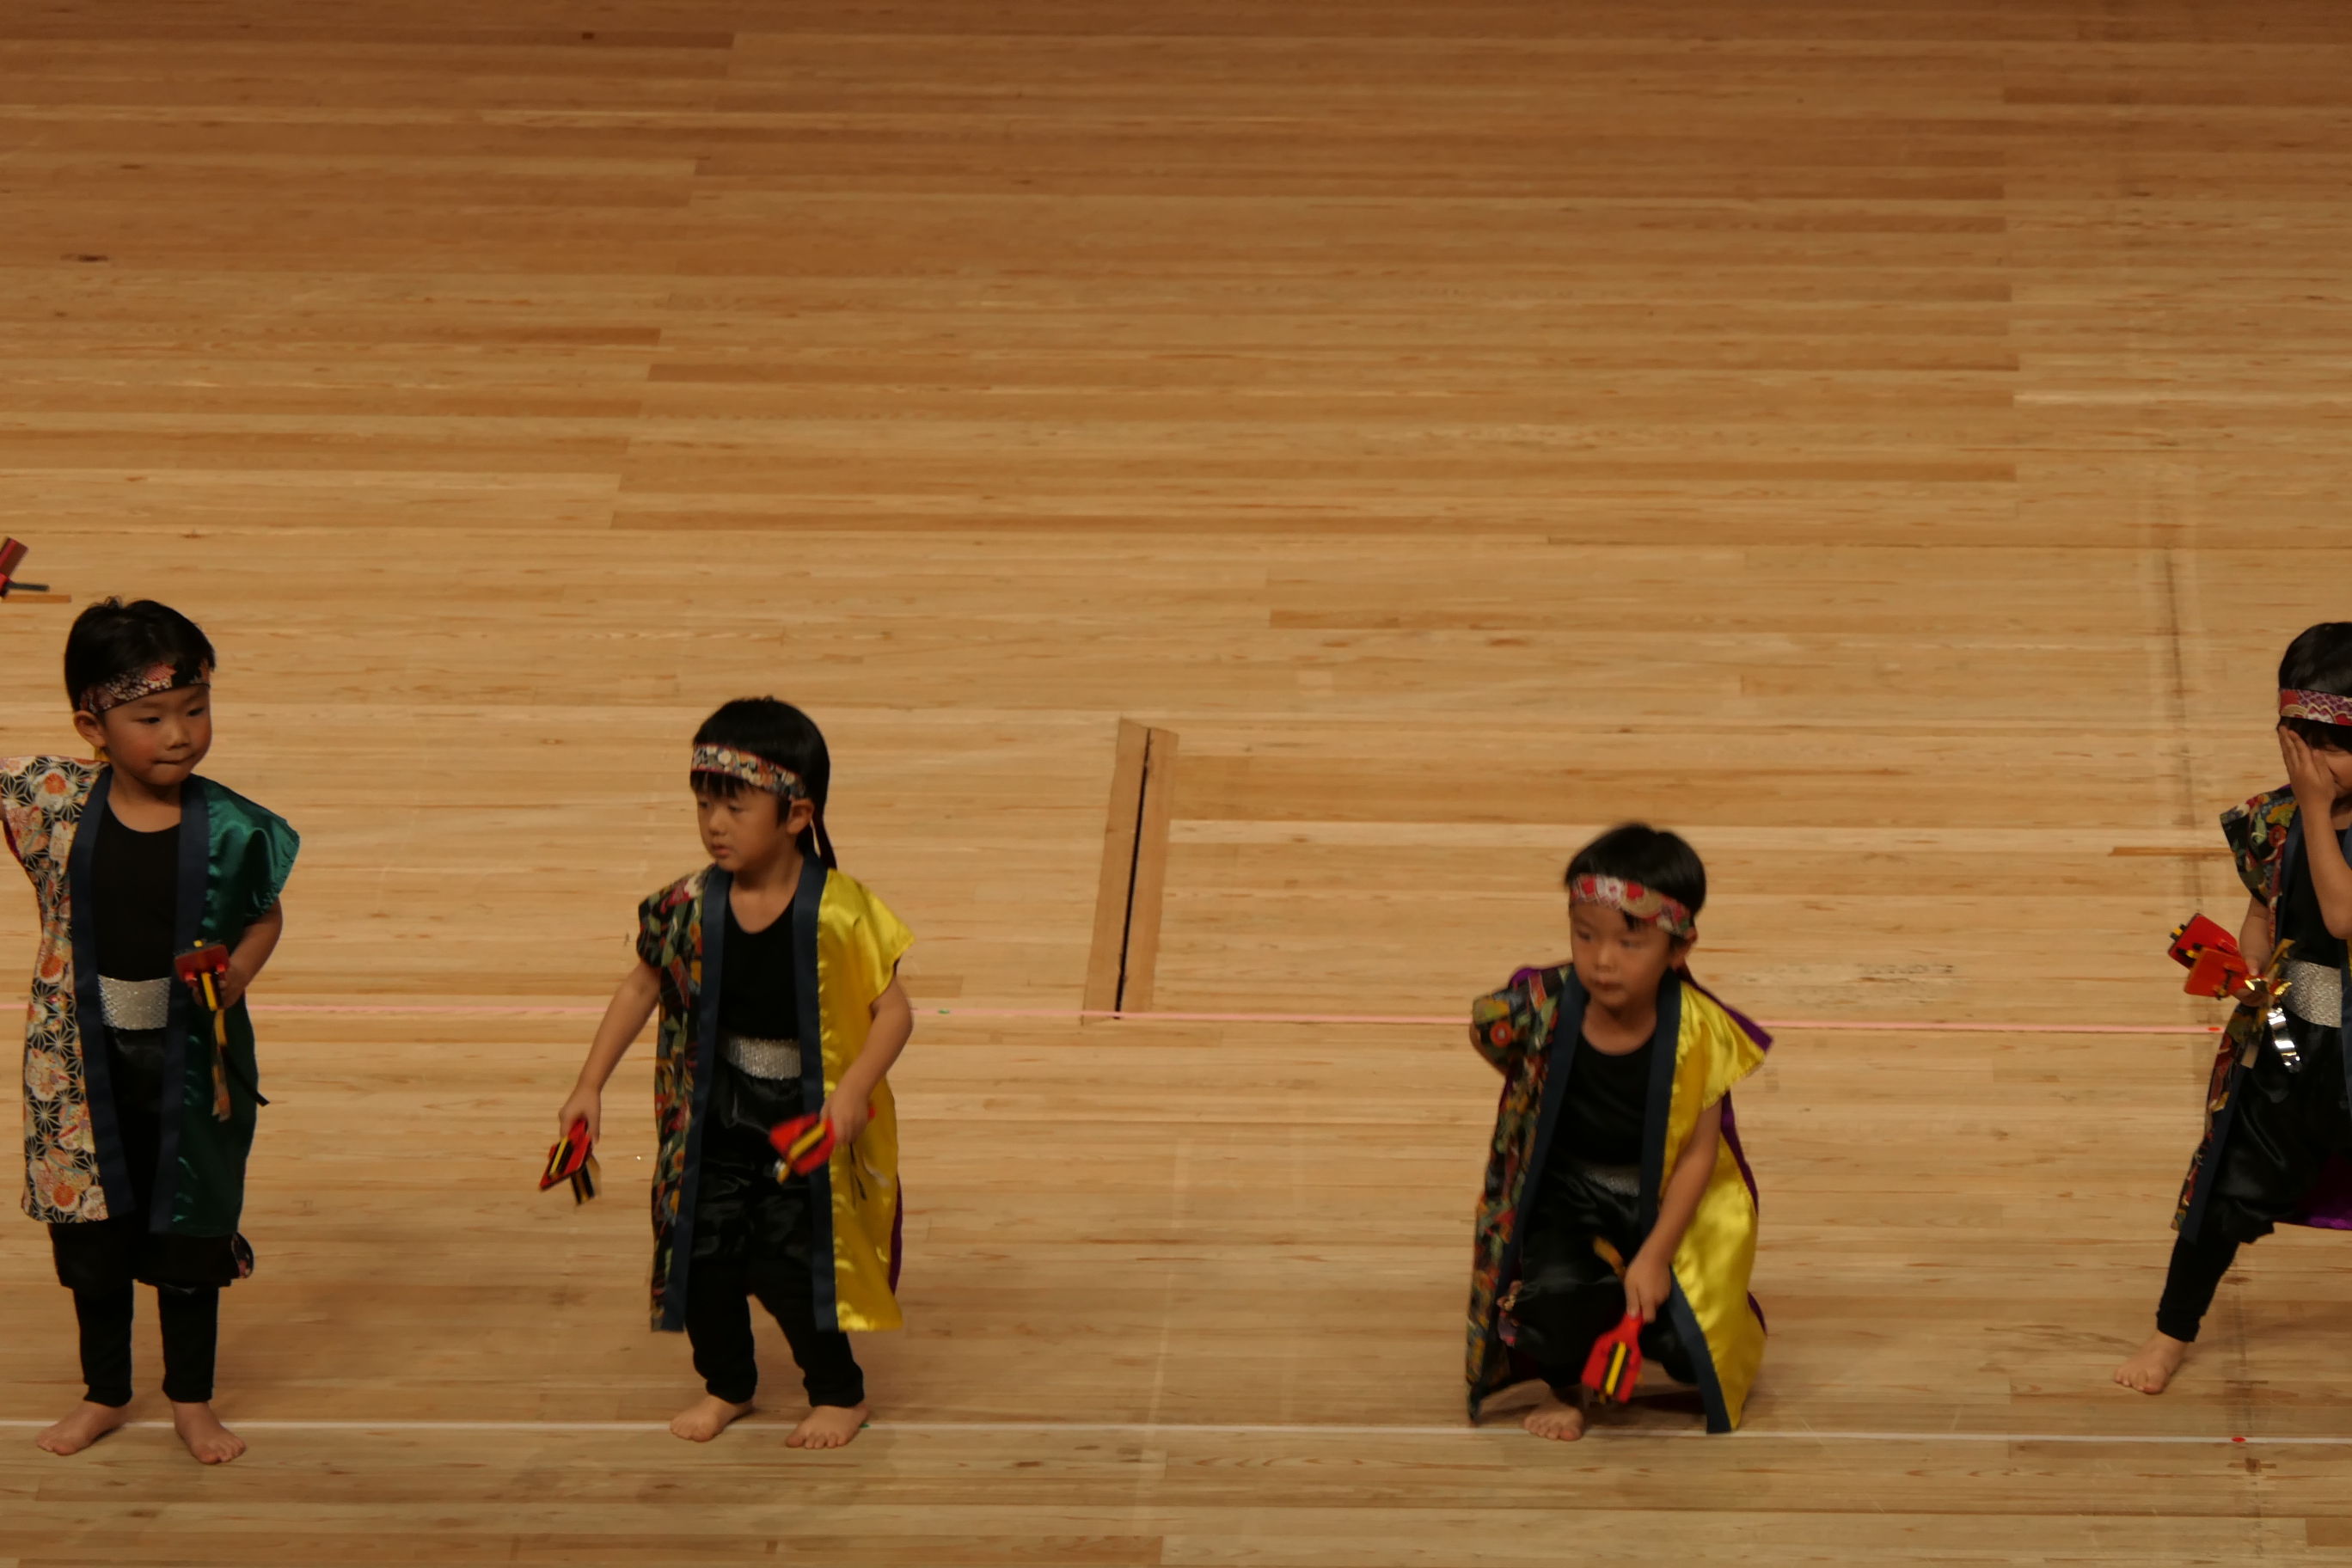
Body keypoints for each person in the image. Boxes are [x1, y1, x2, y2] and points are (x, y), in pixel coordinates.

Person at [558, 697, 914, 1448]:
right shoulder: (685, 908)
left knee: (790, 1258)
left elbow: (893, 1012)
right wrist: (588, 1085)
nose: (714, 824)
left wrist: (853, 1090)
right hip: (716, 1113)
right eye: (704, 804)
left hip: (801, 1116)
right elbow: (642, 987)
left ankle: (839, 1394)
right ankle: (728, 1384)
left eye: (735, 806)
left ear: (796, 815)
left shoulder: (841, 912)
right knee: (702, 1252)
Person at [2, 599, 298, 1464]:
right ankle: (104, 1392)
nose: (180, 735)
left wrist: (240, 971)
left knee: (187, 1233)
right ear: (90, 727)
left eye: (195, 709)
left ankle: (191, 1400)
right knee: (92, 1236)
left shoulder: (238, 829)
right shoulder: (52, 803)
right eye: (151, 717)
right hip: (76, 1066)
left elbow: (264, 916)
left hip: (190, 1063)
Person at [1465, 824, 1770, 1440]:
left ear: (1679, 948)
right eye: (1585, 935)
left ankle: (1648, 1314)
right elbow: (1487, 1033)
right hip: (1569, 1194)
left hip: (1658, 1200)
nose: (1603, 959)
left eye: (1630, 942)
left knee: (1691, 1348)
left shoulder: (1700, 1032)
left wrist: (1654, 1256)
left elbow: (1699, 1155)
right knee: (1550, 1298)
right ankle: (1568, 1389)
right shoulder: (1543, 1008)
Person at [2117, 622, 2352, 1394]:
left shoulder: (2305, 812)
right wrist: (2246, 969)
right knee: (2220, 1189)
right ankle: (2170, 1331)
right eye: (2308, 746)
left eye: (2339, 747)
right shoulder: (2271, 821)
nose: (2321, 767)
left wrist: (2315, 809)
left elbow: (2343, 917)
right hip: (2287, 1044)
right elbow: (2266, 910)